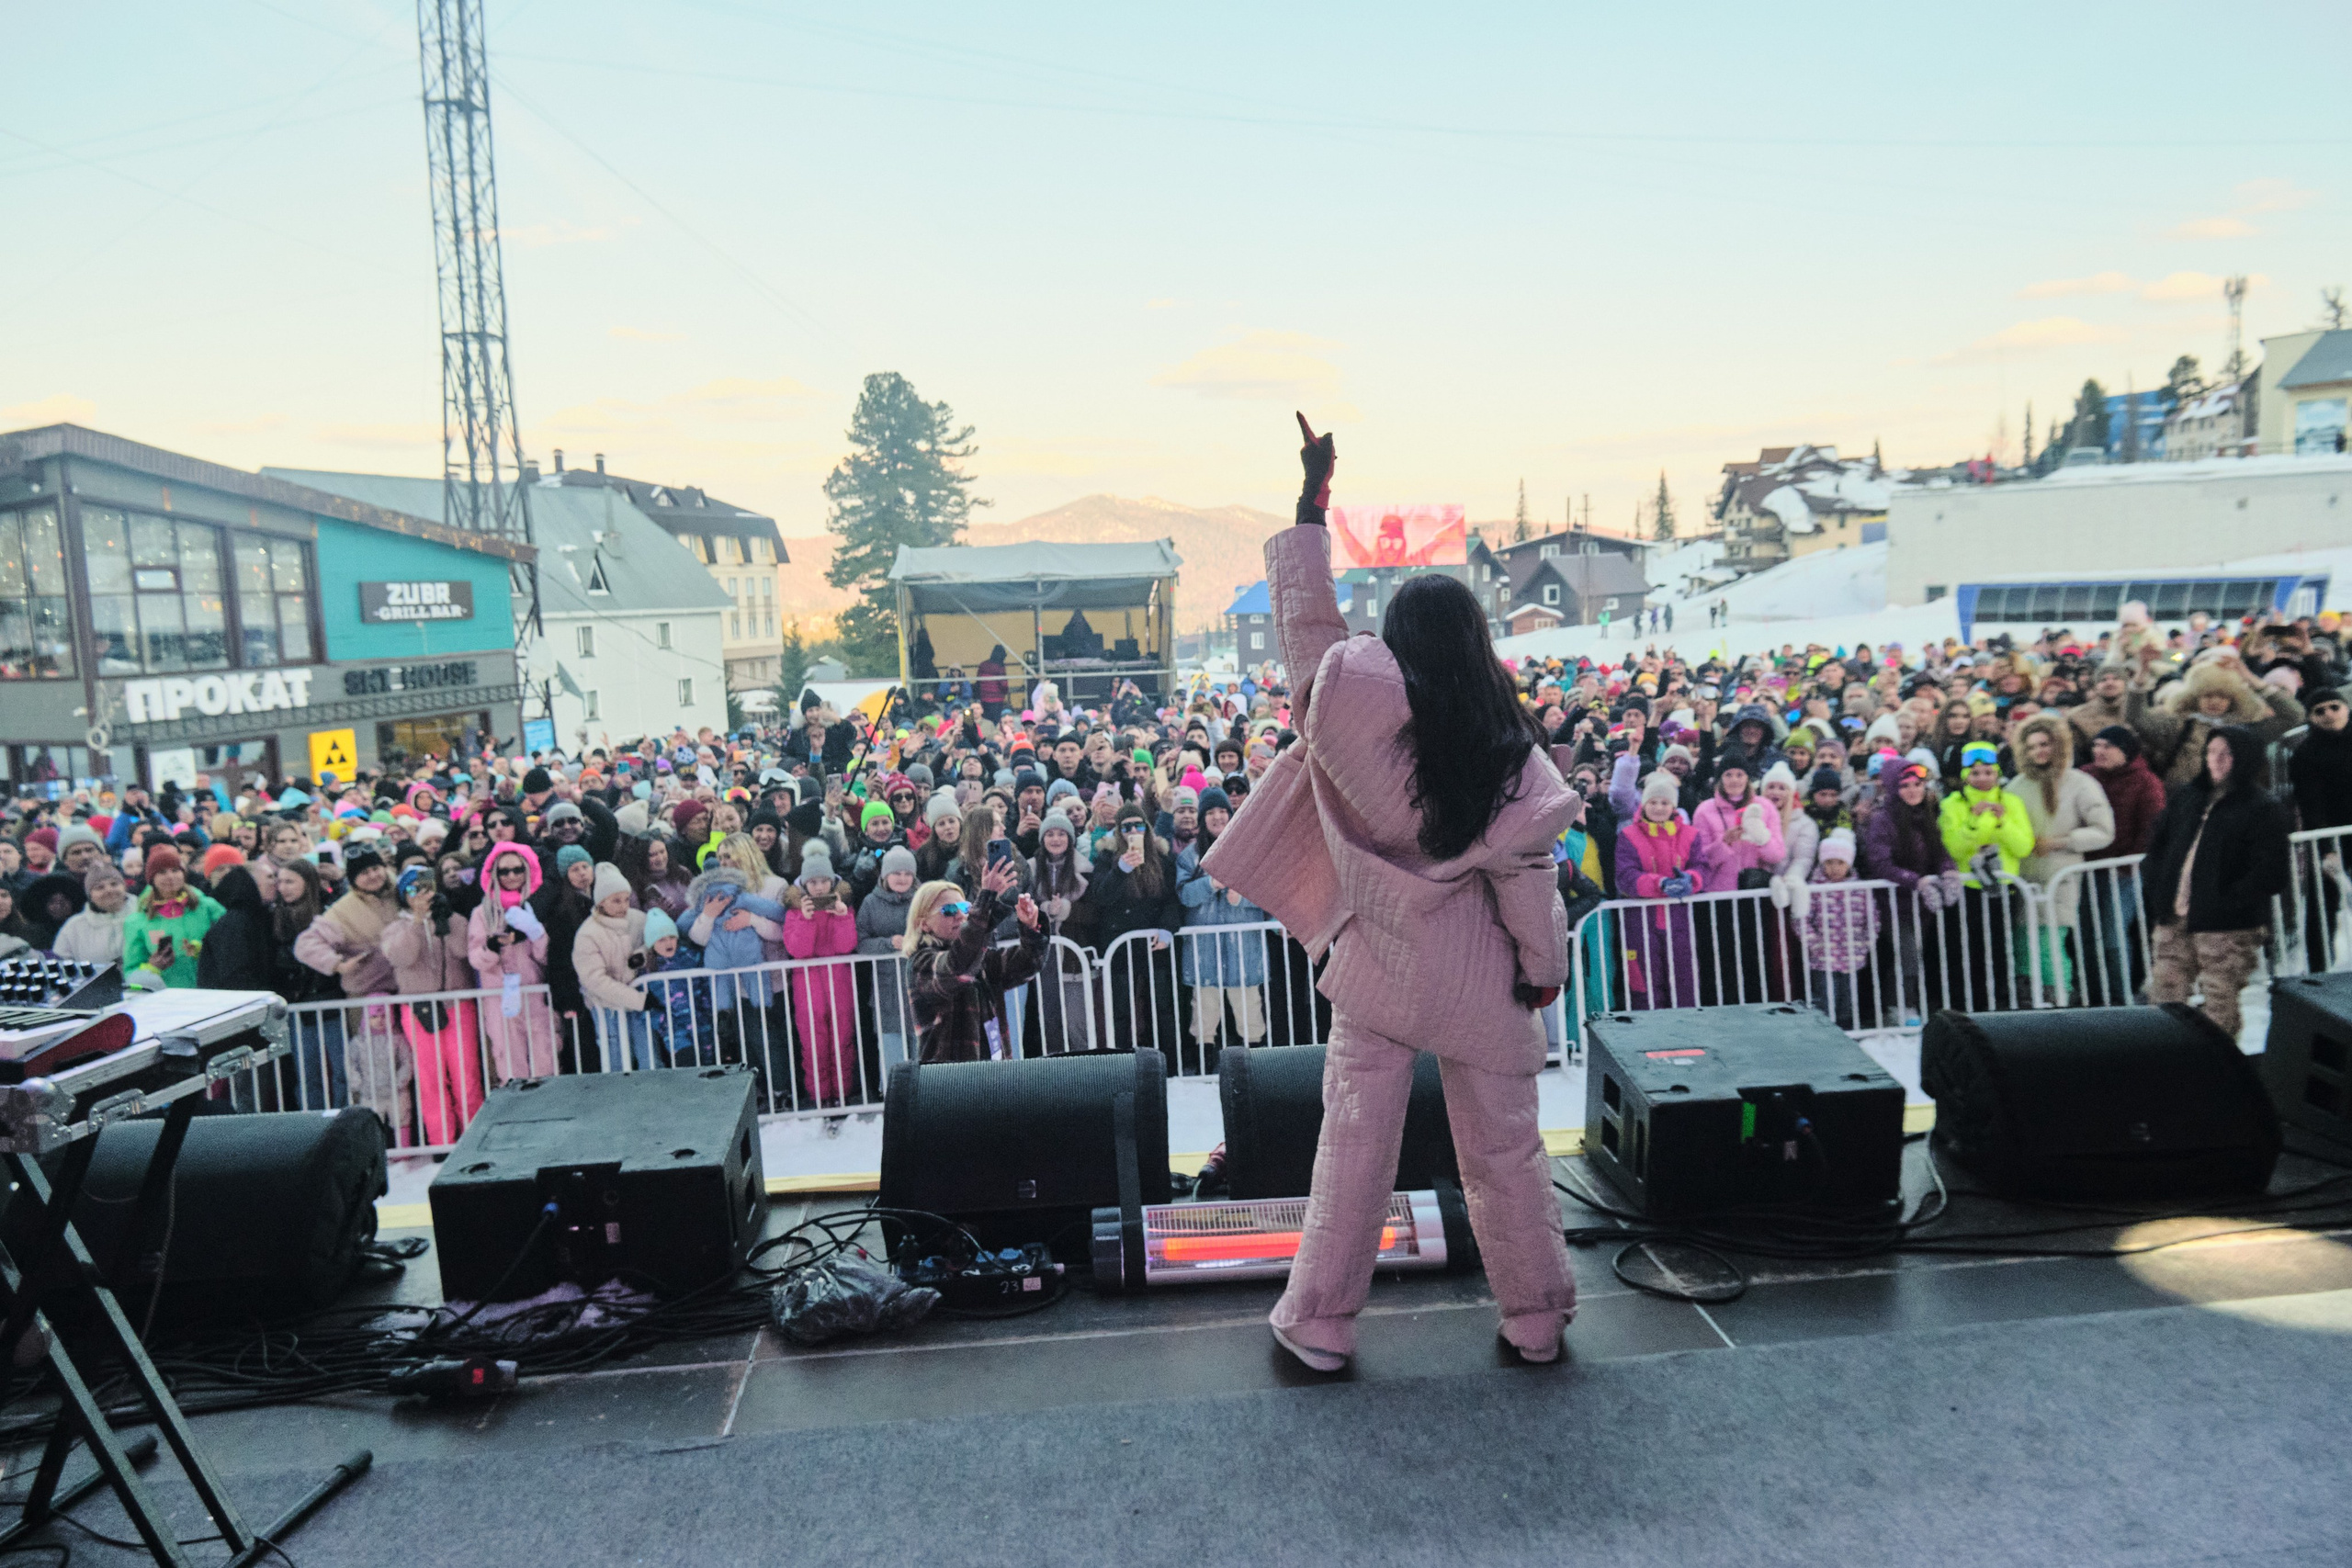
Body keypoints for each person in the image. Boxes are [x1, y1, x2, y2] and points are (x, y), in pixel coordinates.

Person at [1204, 418, 1578, 1372]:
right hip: (1481, 981)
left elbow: (1308, 629)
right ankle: (1536, 1320)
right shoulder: (1505, 756)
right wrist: (1542, 972)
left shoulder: (1342, 709)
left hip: (1377, 971)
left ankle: (1320, 1325)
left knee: (1353, 1152)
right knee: (1506, 1157)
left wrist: (1311, 502)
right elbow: (1527, 882)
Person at [2142, 726, 2292, 1039]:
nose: (2217, 760)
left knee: (2220, 1001)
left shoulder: (2263, 808)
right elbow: (2158, 847)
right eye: (2211, 752)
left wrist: (2228, 901)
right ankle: (2163, 1057)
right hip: (2175, 914)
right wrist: (2158, 890)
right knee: (2164, 994)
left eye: (2227, 753)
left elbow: (2271, 871)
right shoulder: (2188, 797)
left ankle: (2219, 1063)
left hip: (2228, 925)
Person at [2007, 714, 2115, 1000]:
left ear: (2058, 744)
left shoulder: (2080, 783)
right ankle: (2031, 1001)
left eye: (2044, 744)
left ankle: (2059, 998)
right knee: (2022, 945)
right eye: (2031, 746)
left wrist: (2060, 843)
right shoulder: (2016, 785)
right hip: (2023, 880)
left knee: (2049, 942)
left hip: (2060, 878)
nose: (2039, 751)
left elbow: (2104, 831)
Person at [905, 863, 1046, 1062]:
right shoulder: (921, 963)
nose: (960, 915)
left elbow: (1027, 964)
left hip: (993, 1068)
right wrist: (987, 898)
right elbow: (958, 967)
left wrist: (1030, 928)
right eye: (948, 910)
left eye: (965, 908)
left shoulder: (978, 955)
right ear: (924, 924)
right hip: (949, 1076)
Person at [384, 863, 482, 1144]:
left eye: (427, 888)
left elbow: (462, 951)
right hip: (419, 1010)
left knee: (467, 1075)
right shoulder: (395, 928)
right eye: (414, 890)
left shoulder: (455, 919)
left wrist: (445, 920)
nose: (422, 895)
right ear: (404, 895)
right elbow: (402, 958)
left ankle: (472, 1138)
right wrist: (417, 922)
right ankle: (442, 1140)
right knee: (430, 1079)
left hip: (457, 1005)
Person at [467, 842, 558, 1084]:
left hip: (535, 994)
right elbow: (476, 958)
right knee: (509, 1062)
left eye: (518, 869)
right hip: (500, 998)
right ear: (493, 874)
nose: (511, 876)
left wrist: (536, 933)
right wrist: (492, 947)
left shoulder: (538, 907)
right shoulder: (482, 913)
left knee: (545, 1059)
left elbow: (547, 958)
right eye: (504, 871)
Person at [782, 847, 861, 1104]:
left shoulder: (842, 908)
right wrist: (805, 920)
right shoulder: (794, 912)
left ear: (832, 881)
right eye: (813, 882)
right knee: (813, 1042)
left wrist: (841, 917)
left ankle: (842, 1093)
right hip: (807, 983)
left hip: (839, 981)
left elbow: (846, 946)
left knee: (843, 1038)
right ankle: (820, 1096)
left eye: (824, 881)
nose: (818, 888)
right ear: (804, 884)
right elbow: (798, 950)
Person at [574, 863, 654, 1074]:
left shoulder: (639, 920)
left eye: (626, 899)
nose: (623, 906)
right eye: (616, 901)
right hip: (607, 1006)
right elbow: (594, 979)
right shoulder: (588, 934)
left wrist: (642, 955)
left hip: (638, 1002)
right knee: (615, 1058)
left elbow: (655, 943)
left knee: (649, 1054)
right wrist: (637, 1000)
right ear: (601, 902)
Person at [853, 846, 919, 1069]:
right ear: (885, 875)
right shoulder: (870, 903)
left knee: (924, 1054)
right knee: (893, 1058)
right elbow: (860, 942)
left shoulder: (922, 899)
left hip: (920, 986)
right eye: (896, 873)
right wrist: (889, 943)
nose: (902, 878)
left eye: (908, 873)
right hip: (888, 991)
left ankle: (925, 1090)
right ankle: (895, 1090)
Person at [122, 844, 222, 990]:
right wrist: (152, 968)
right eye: (162, 872)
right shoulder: (138, 922)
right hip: (167, 996)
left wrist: (203, 950)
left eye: (175, 870)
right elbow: (131, 970)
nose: (170, 877)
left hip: (211, 991)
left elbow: (230, 943)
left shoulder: (208, 907)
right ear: (152, 879)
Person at [53, 864, 129, 964]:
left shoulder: (142, 915)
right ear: (90, 896)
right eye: (99, 887)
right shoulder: (74, 926)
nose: (109, 890)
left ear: (124, 887)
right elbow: (61, 962)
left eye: (114, 884)